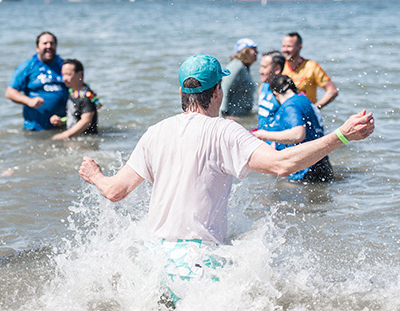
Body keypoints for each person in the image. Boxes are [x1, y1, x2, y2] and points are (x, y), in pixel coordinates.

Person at [78, 54, 373, 304]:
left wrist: (95, 175)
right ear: (217, 91)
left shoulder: (156, 131)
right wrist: (340, 137)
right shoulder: (223, 130)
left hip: (151, 262)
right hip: (196, 265)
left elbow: (115, 191)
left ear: (182, 93)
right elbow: (282, 164)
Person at [253, 75, 333, 182]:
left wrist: (264, 134)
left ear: (275, 93)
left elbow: (298, 134)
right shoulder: (304, 100)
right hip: (321, 163)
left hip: (306, 170)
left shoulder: (290, 106)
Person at [5, 32, 67, 131]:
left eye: (52, 43)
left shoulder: (65, 66)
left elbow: (78, 88)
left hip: (62, 126)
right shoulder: (27, 67)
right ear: (37, 47)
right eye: (45, 43)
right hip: (35, 129)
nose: (49, 46)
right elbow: (10, 92)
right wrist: (29, 101)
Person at [281, 32, 338, 109]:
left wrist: (315, 108)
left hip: (306, 115)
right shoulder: (279, 66)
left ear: (299, 47)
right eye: (283, 46)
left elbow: (332, 91)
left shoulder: (311, 66)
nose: (285, 50)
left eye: (289, 46)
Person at [50, 59, 102, 140]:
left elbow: (86, 121)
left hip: (87, 141)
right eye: (63, 74)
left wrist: (64, 135)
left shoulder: (86, 95)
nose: (64, 78)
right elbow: (75, 116)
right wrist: (61, 120)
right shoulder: (72, 91)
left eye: (68, 74)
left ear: (80, 75)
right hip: (75, 138)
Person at [220, 38, 258, 117]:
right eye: (254, 49)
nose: (257, 52)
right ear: (245, 51)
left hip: (243, 115)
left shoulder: (245, 67)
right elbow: (224, 88)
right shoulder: (237, 66)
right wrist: (224, 115)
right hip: (234, 116)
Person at [257, 50, 285, 131]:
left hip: (274, 140)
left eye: (264, 67)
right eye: (260, 66)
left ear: (277, 69)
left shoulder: (282, 93)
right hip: (262, 136)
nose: (260, 71)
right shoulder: (263, 86)